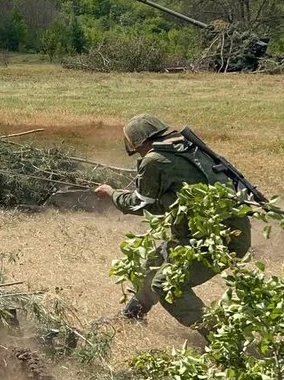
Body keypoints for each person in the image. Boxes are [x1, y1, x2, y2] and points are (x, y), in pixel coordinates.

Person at [93, 113, 251, 338]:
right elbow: (168, 202)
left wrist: (112, 193)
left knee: (167, 285)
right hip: (220, 232)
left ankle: (221, 338)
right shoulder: (187, 147)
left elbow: (139, 204)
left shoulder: (155, 160)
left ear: (139, 142)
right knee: (155, 264)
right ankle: (133, 313)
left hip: (216, 240)